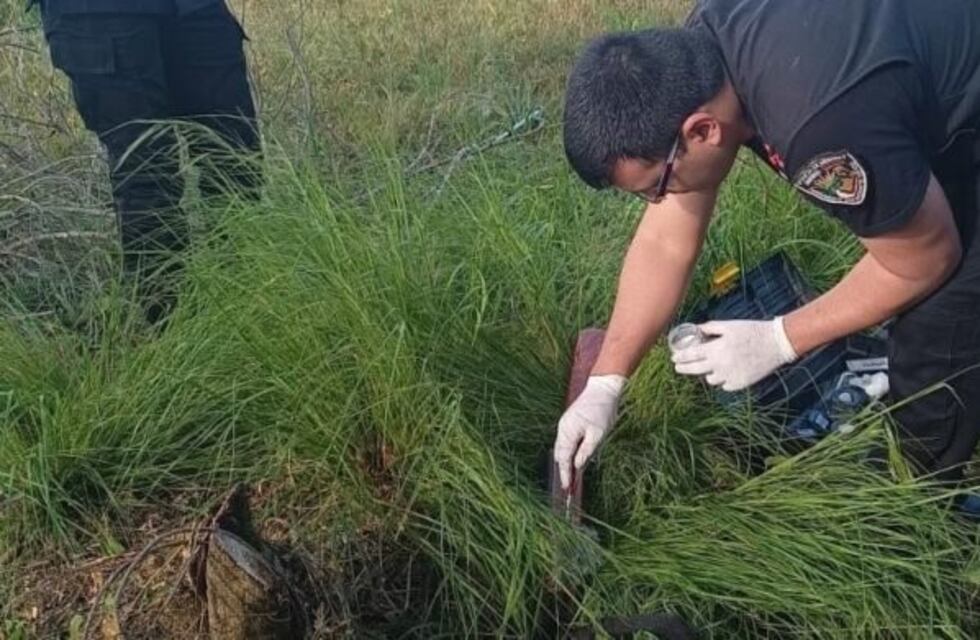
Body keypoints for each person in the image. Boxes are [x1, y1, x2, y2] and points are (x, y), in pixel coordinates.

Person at [554, 0, 980, 491]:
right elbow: (667, 241)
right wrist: (605, 383)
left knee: (935, 341)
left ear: (702, 130)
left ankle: (917, 513)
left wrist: (780, 339)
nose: (660, 200)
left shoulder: (819, 122)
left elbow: (925, 259)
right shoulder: (706, 50)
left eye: (656, 186)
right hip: (937, 73)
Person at [33, 0, 261, 324]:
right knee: (149, 176)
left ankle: (248, 315)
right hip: (96, 13)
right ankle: (165, 336)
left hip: (192, 8)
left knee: (235, 160)